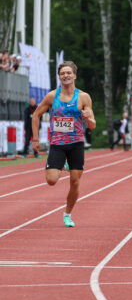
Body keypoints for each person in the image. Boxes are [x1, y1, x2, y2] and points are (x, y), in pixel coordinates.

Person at [32, 61, 96, 227]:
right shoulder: (52, 96)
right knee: (51, 180)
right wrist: (36, 139)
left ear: (74, 75)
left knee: (75, 182)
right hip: (58, 143)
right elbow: (35, 115)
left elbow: (93, 125)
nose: (66, 76)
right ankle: (64, 164)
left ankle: (67, 214)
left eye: (69, 73)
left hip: (76, 143)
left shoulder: (83, 97)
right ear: (59, 77)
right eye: (62, 73)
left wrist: (87, 117)